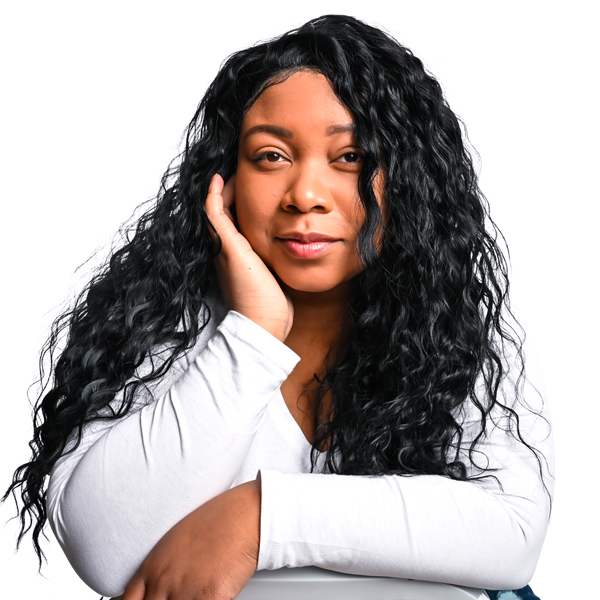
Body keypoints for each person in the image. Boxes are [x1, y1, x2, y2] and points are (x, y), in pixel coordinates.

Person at [4, 14, 553, 600]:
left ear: (410, 184)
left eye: (350, 158)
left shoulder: (439, 328)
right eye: (271, 156)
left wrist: (260, 518)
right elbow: (109, 556)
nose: (306, 196)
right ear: (224, 179)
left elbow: (513, 536)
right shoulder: (160, 323)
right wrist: (254, 334)